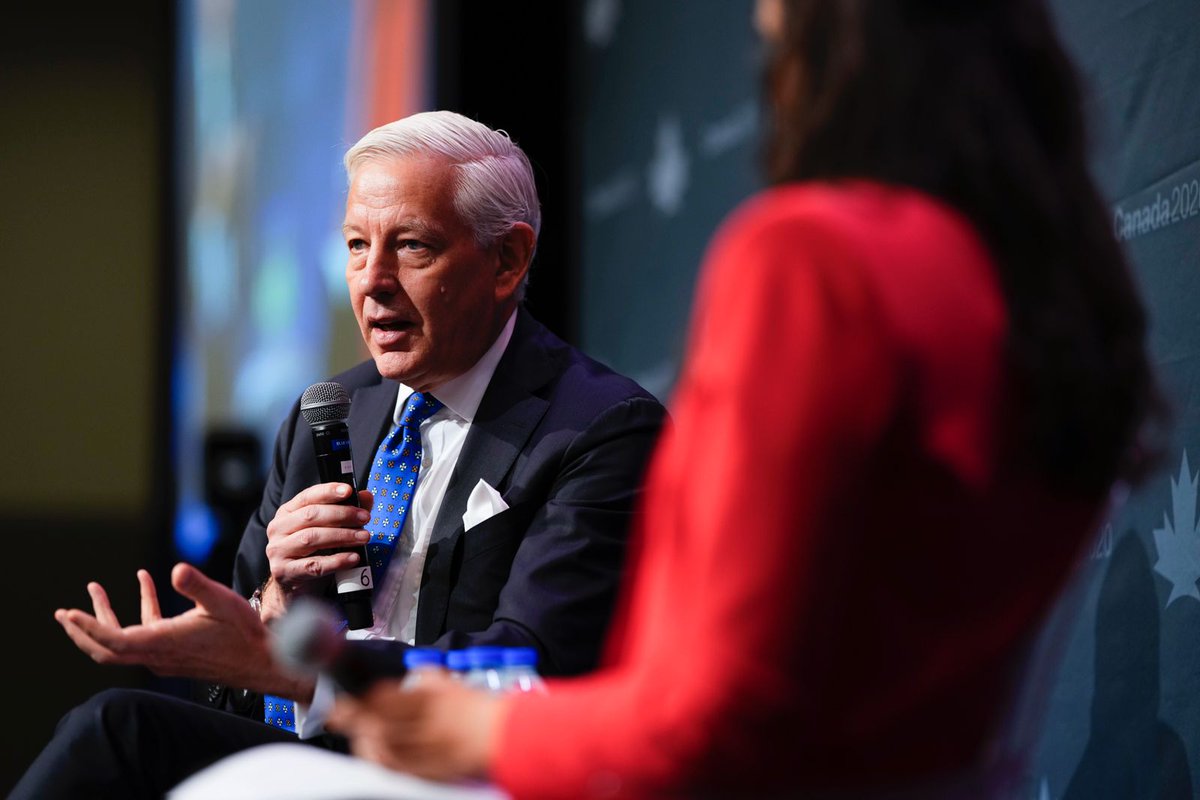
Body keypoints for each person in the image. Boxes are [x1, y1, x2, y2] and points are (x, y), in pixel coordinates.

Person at [204, 0, 1160, 797]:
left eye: (776, 36)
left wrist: (477, 729)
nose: (769, 68)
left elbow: (718, 716)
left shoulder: (810, 265)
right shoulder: (1061, 309)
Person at [11, 111, 665, 799]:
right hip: (309, 755)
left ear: (507, 260)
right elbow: (234, 690)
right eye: (356, 245)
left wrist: (302, 669)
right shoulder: (328, 413)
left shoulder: (600, 429)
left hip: (454, 771)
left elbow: (532, 668)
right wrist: (277, 601)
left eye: (411, 246)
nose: (372, 280)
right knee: (124, 729)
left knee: (120, 730)